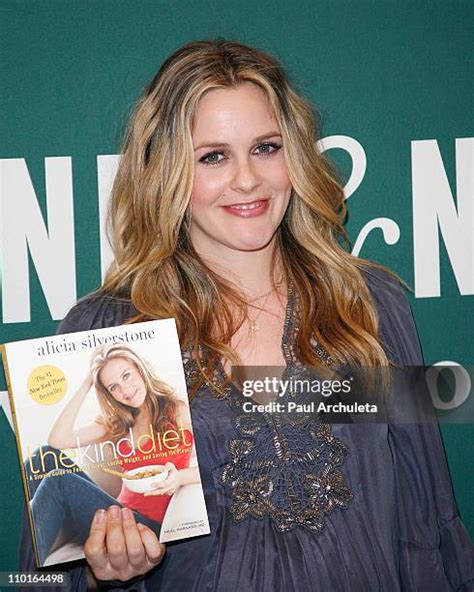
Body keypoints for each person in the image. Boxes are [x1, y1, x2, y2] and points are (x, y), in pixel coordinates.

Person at [20, 39, 473, 591]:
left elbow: (428, 518)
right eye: (213, 156)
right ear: (165, 173)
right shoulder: (110, 332)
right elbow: (51, 566)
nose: (247, 180)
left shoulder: (370, 306)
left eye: (265, 148)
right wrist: (102, 575)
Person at [26, 344, 197, 566]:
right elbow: (58, 440)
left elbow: (221, 463)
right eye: (114, 387)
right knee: (43, 457)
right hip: (114, 514)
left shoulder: (179, 409)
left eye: (126, 376)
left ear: (140, 369)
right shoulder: (117, 424)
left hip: (145, 527)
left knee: (57, 481)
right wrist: (88, 381)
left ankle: (25, 573)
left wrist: (179, 477)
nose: (125, 390)